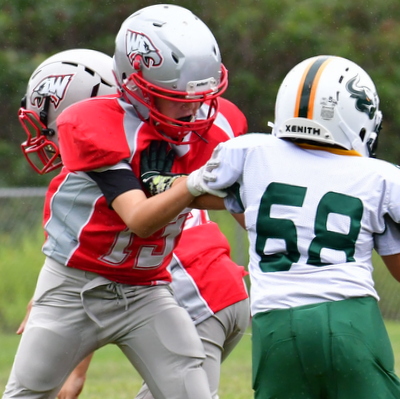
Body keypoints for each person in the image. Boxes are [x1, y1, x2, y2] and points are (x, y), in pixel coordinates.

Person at [4, 5, 238, 398]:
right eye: (177, 96)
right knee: (27, 394)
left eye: (201, 96)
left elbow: (230, 202)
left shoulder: (208, 126)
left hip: (147, 289)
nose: (195, 108)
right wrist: (191, 183)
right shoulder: (99, 127)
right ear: (136, 85)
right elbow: (140, 220)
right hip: (73, 290)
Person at [184, 55, 400, 399]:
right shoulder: (375, 180)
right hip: (350, 319)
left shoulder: (255, 159)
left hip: (274, 325)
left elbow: (198, 196)